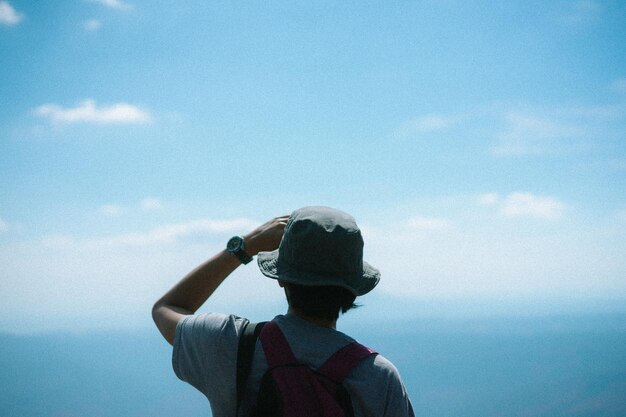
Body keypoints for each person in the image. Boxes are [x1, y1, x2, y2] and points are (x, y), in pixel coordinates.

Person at [152, 206, 415, 417]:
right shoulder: (379, 378)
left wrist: (245, 246)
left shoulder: (230, 343)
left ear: (280, 278)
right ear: (354, 288)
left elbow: (165, 308)